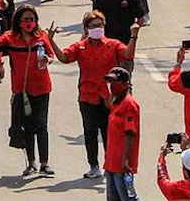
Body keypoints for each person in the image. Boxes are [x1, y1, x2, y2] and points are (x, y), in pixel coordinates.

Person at [45, 11, 138, 179]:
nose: (97, 29)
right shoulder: (81, 47)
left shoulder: (112, 44)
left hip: (108, 98)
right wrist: (51, 40)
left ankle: (110, 164)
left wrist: (134, 37)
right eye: (93, 26)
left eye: (100, 25)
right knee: (89, 132)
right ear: (87, 29)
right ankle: (93, 166)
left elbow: (128, 55)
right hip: (87, 96)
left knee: (108, 132)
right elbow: (64, 58)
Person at [0, 4, 53, 177]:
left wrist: (48, 59)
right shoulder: (10, 38)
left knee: (41, 124)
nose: (29, 22)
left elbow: (51, 55)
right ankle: (31, 162)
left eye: (32, 19)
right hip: (22, 90)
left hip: (42, 87)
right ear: (18, 21)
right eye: (26, 19)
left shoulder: (41, 37)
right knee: (27, 126)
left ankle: (44, 163)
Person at [102, 67, 142, 201]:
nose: (111, 85)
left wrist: (125, 159)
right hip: (111, 162)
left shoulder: (129, 104)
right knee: (113, 200)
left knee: (129, 199)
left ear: (125, 84)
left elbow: (130, 133)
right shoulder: (116, 102)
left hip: (122, 165)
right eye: (109, 82)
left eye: (114, 82)